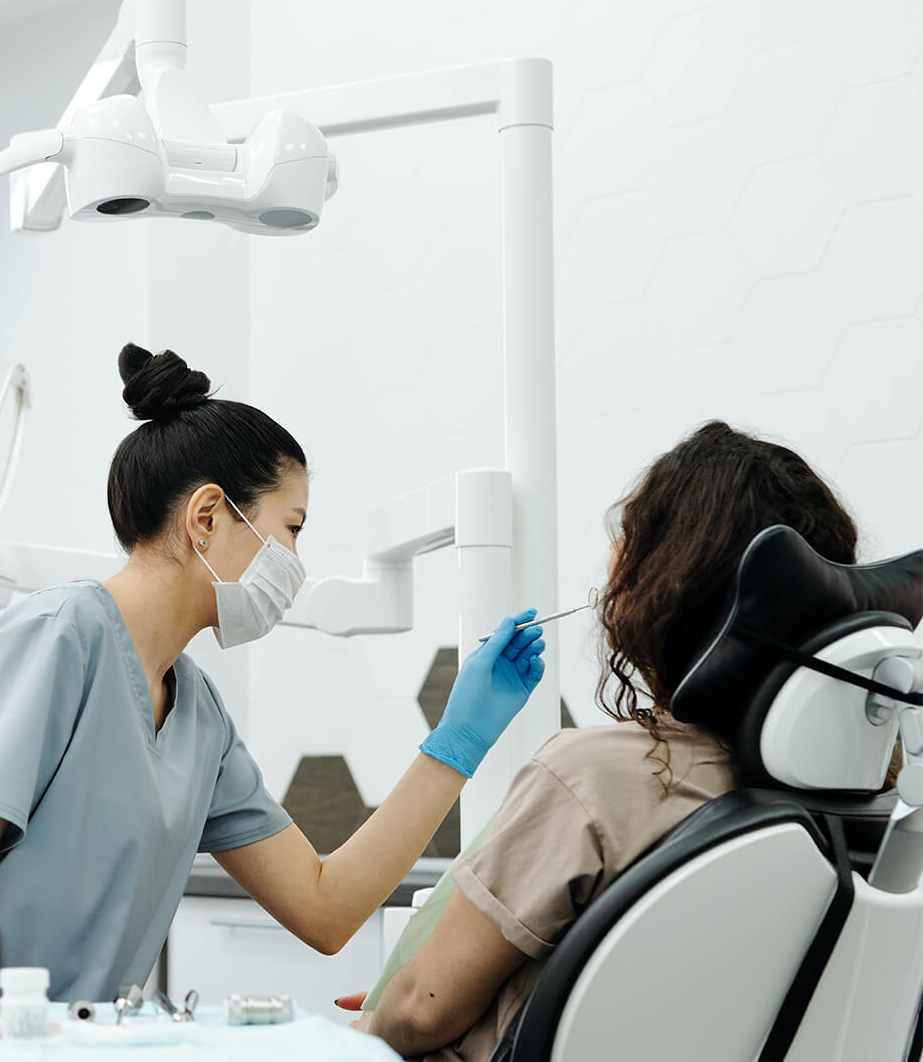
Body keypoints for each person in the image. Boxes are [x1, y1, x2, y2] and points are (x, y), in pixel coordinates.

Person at [0, 344, 545, 1004]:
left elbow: (325, 909)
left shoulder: (197, 715)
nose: (296, 562)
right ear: (206, 518)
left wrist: (458, 742)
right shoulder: (57, 638)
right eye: (291, 528)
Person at [356, 420, 858, 1060]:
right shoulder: (860, 795)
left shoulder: (597, 778)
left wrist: (354, 1034)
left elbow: (423, 1012)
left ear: (666, 585)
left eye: (630, 540)